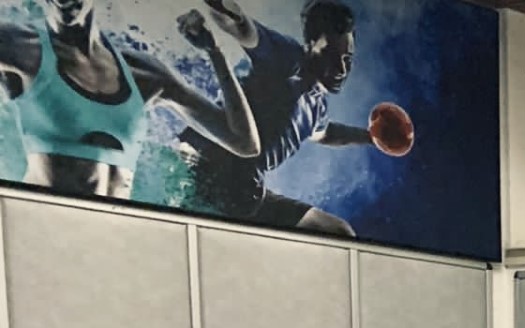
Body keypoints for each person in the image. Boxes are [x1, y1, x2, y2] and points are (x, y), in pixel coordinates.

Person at [0, 0, 258, 200]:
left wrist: (214, 51)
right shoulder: (19, 47)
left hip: (114, 238)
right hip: (43, 232)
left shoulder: (142, 72)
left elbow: (244, 142)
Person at [180, 0, 389, 236]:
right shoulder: (289, 59)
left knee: (340, 232)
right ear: (310, 45)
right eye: (331, 56)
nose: (341, 69)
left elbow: (326, 134)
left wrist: (371, 137)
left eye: (347, 59)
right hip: (213, 165)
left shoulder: (317, 106)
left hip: (243, 188)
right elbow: (246, 32)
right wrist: (230, 13)